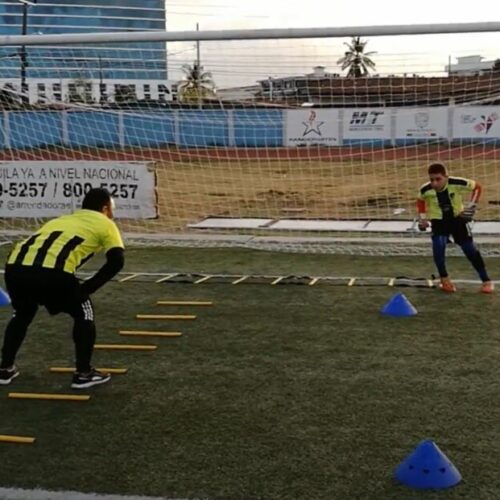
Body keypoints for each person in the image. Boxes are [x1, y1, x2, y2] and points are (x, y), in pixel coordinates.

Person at [0, 188, 125, 389]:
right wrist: (87, 288)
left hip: (15, 268)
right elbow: (117, 261)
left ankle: (4, 369)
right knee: (84, 313)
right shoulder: (106, 223)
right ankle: (83, 373)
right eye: (111, 208)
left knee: (22, 314)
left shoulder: (60, 220)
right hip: (53, 272)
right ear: (104, 208)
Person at [417, 162, 493, 294]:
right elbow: (420, 200)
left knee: (470, 250)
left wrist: (471, 207)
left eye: (438, 179)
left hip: (458, 220)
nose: (434, 183)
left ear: (446, 177)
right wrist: (423, 218)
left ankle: (486, 281)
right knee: (438, 247)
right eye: (432, 179)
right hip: (439, 222)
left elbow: (477, 187)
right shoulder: (425, 189)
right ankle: (445, 280)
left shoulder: (457, 183)